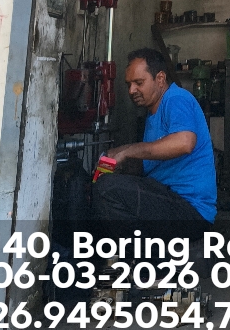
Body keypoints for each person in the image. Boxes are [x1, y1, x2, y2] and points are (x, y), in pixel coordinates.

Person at [93, 48, 217, 234]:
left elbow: (185, 143)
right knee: (100, 187)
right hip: (167, 198)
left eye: (139, 83)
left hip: (190, 210)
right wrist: (117, 167)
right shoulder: (152, 116)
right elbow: (150, 165)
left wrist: (126, 151)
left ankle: (141, 251)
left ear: (160, 79)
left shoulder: (176, 99)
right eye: (129, 84)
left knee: (107, 189)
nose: (131, 90)